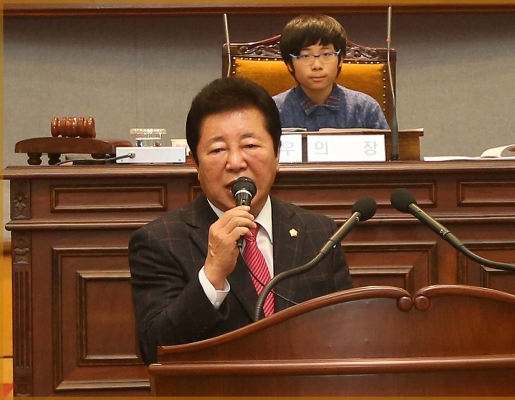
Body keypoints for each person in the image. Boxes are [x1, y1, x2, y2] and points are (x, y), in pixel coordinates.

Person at [128, 77, 353, 366]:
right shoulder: (160, 241)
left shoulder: (319, 233)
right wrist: (212, 275)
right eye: (218, 150)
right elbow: (154, 350)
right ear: (195, 162)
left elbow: (348, 335)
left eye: (250, 145)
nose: (235, 162)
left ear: (277, 153)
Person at [273, 14, 390, 131]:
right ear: (289, 64)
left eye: (326, 54)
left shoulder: (364, 108)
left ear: (341, 59)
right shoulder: (273, 111)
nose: (317, 66)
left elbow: (386, 143)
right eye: (305, 56)